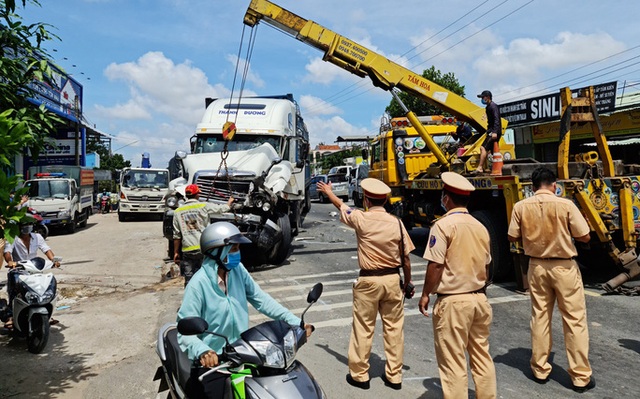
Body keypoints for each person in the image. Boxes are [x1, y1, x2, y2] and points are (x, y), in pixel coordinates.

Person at [177, 221, 313, 399]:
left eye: (238, 249)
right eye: (233, 249)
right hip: (214, 362)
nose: (238, 254)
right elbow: (184, 332)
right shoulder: (198, 284)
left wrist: (296, 323)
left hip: (243, 353)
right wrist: (203, 351)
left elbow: (261, 300)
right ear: (217, 251)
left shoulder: (237, 271)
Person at [317, 177, 415, 391]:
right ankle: (394, 376)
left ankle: (360, 375)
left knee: (363, 328)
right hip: (392, 280)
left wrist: (328, 192)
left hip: (369, 280)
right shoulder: (397, 223)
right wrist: (407, 283)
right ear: (386, 200)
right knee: (394, 329)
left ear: (367, 201)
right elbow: (406, 258)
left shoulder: (361, 218)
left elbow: (342, 206)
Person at [507, 167, 595, 393]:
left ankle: (540, 369)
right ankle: (580, 376)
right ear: (554, 185)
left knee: (540, 316)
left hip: (536, 266)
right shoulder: (565, 205)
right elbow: (584, 235)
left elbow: (512, 235)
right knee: (574, 320)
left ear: (533, 187)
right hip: (564, 266)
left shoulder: (520, 206)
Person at [418, 172, 496, 399]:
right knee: (482, 356)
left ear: (446, 198)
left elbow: (435, 265)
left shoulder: (443, 226)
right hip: (479, 299)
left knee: (453, 362)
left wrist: (425, 294)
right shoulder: (481, 227)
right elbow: (487, 266)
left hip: (453, 301)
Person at [3, 218, 61, 330]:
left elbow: (46, 249)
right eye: (24, 224)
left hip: (35, 269)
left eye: (29, 224)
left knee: (46, 285)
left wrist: (54, 260)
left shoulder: (37, 237)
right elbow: (7, 252)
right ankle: (11, 315)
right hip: (18, 270)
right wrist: (10, 262)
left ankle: (48, 310)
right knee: (15, 289)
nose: (27, 227)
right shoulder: (13, 238)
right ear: (19, 226)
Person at [173, 184, 233, 287]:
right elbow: (222, 209)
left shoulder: (178, 211)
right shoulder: (203, 206)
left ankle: (191, 297)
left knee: (189, 277)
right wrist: (229, 202)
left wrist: (176, 252)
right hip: (203, 248)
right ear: (197, 195)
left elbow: (177, 236)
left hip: (187, 249)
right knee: (206, 275)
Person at [475, 90, 501, 174]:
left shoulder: (493, 106)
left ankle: (480, 167)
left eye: (483, 97)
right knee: (493, 152)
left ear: (488, 97)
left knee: (483, 148)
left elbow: (496, 119)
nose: (482, 99)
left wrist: (494, 132)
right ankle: (495, 167)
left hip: (494, 131)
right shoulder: (488, 107)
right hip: (491, 131)